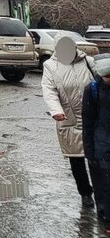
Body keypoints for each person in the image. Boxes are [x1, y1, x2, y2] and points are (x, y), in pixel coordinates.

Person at [42, 35, 100, 210]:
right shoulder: (50, 66)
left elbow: (102, 81)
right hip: (69, 117)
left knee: (98, 156)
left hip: (93, 117)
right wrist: (56, 111)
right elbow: (49, 90)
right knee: (76, 158)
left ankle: (101, 191)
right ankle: (85, 193)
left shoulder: (88, 61)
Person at [84, 54, 110, 238]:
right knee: (104, 184)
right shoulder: (92, 90)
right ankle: (105, 218)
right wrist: (89, 151)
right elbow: (87, 123)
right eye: (107, 76)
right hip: (101, 145)